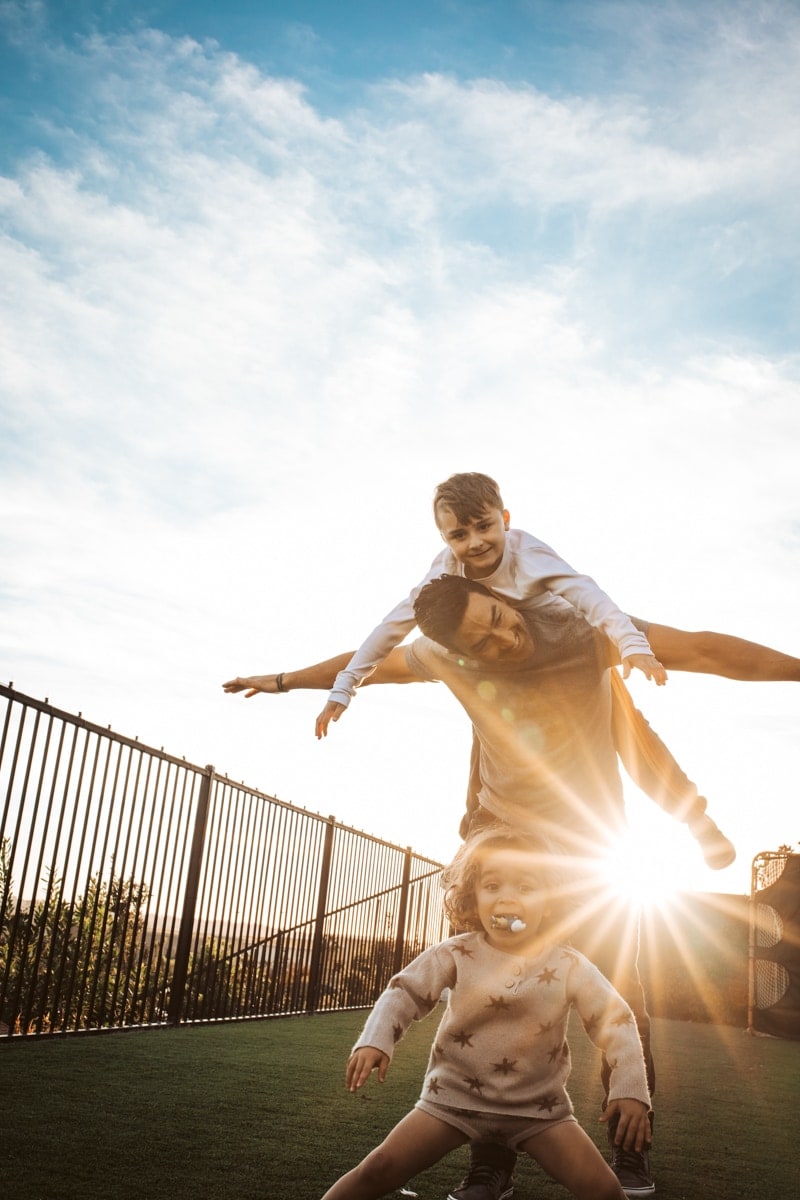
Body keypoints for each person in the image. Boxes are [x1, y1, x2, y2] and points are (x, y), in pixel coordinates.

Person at [223, 579, 800, 1198]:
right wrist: (285, 680)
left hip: (589, 858)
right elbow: (369, 664)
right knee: (486, 991)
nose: (502, 639)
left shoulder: (579, 634)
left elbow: (694, 666)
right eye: (481, 640)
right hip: (501, 853)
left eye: (499, 619)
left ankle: (632, 1149)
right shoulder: (454, 658)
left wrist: (697, 816)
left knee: (617, 996)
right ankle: (491, 1162)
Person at [319, 824, 651, 1200]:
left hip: (538, 1111)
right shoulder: (456, 953)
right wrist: (376, 1040)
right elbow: (403, 992)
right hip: (453, 1100)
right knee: (377, 1169)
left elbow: (617, 1021)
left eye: (525, 887)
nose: (507, 899)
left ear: (551, 899)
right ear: (472, 896)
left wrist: (630, 1090)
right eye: (493, 886)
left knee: (604, 1190)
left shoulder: (569, 965)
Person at [315, 472, 667, 740]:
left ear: (506, 520)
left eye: (485, 527)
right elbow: (392, 627)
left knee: (620, 724)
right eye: (459, 536)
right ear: (444, 538)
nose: (476, 543)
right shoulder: (446, 568)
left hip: (552, 626)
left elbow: (587, 594)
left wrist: (631, 642)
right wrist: (345, 686)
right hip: (498, 638)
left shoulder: (529, 556)